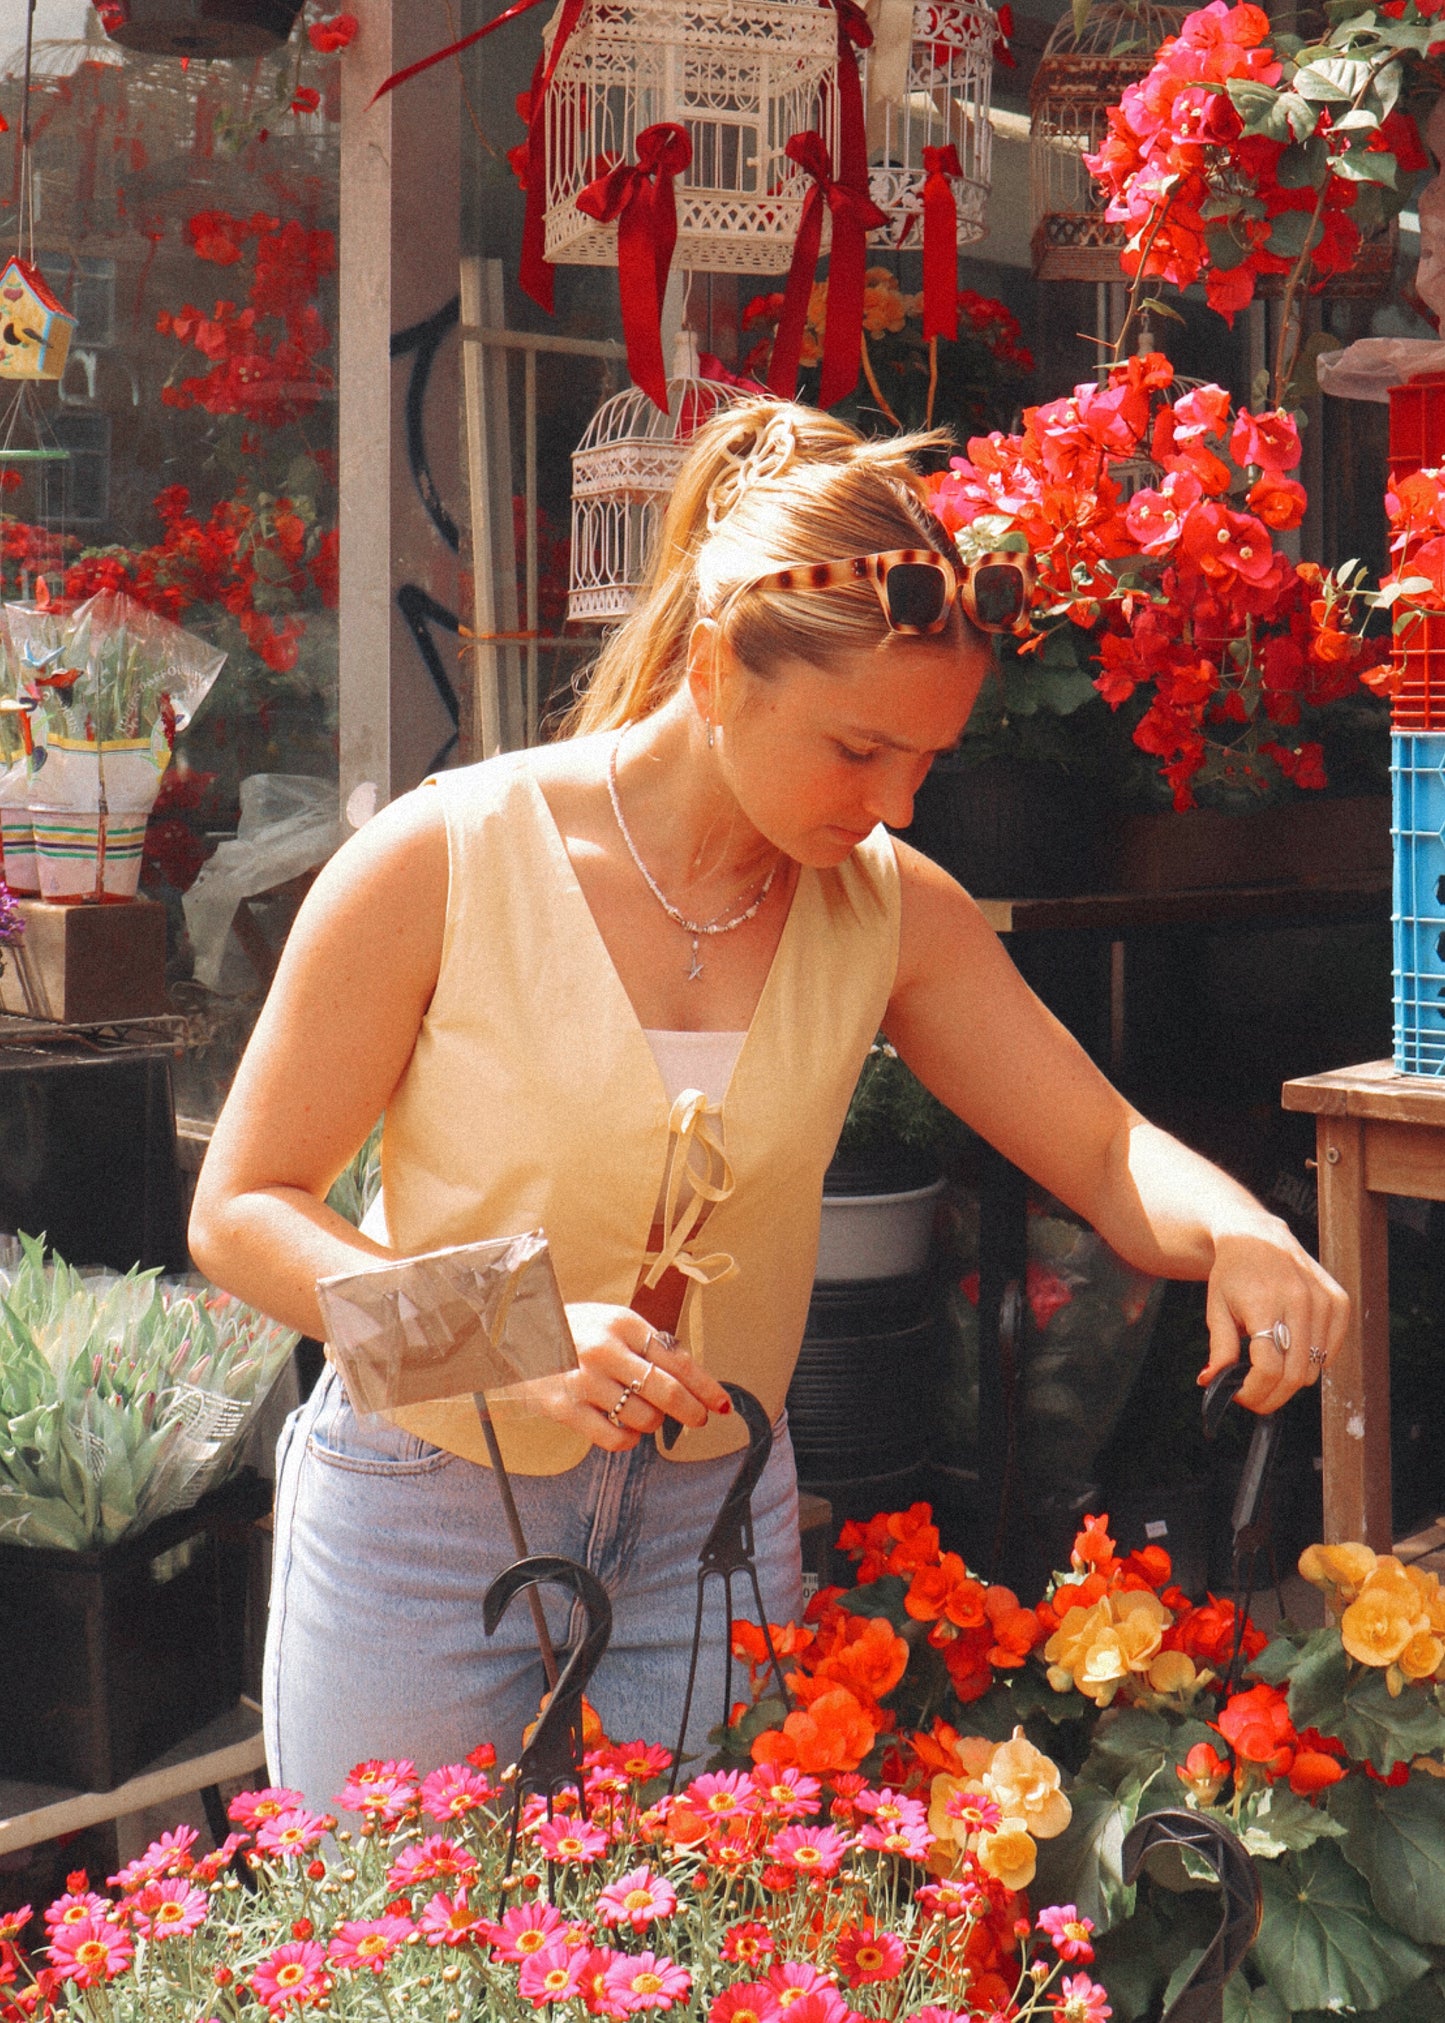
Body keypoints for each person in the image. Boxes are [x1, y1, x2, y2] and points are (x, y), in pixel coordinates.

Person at [189, 398, 1348, 1811]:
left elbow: (1102, 1147)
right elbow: (243, 1213)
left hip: (713, 1526)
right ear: (714, 666)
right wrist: (506, 1337)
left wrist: (1235, 1228)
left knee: (678, 1961)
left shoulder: (888, 911)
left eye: (927, 761)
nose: (900, 806)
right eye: (859, 752)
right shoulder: (442, 858)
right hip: (422, 1518)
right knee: (378, 1954)